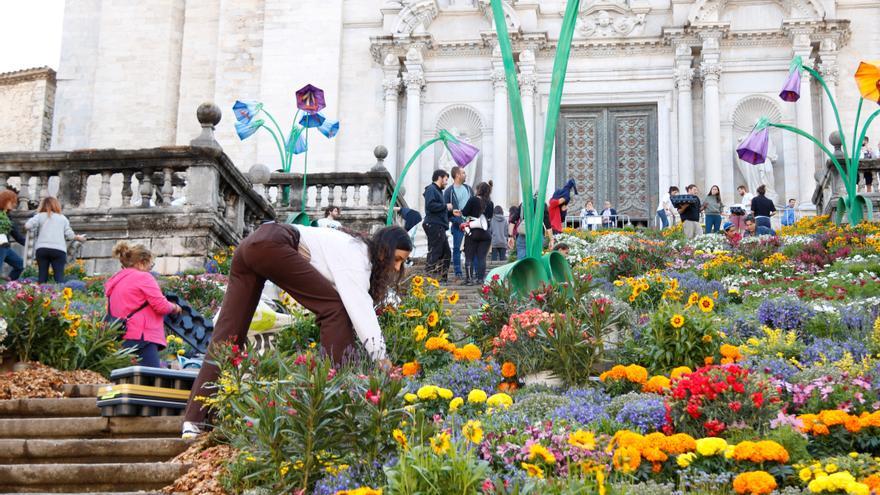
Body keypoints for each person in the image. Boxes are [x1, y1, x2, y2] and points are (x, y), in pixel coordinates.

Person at [182, 223, 413, 439]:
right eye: (398, 259)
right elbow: (360, 309)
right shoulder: (357, 256)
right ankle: (341, 396)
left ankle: (193, 422)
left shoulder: (346, 248)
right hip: (273, 243)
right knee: (335, 310)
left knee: (227, 336)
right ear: (384, 250)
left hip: (252, 246)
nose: (397, 267)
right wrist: (381, 358)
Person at [105, 242, 182, 369]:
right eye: (150, 264)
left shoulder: (115, 281)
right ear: (141, 262)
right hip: (142, 337)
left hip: (121, 336)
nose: (150, 268)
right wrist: (175, 307)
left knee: (126, 379)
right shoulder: (143, 277)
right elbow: (161, 305)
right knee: (149, 382)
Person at [24, 197, 86, 284]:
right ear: (57, 205)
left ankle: (40, 294)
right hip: (58, 250)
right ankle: (60, 295)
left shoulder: (39, 216)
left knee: (42, 277)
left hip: (42, 249)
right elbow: (70, 235)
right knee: (59, 278)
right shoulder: (63, 218)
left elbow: (28, 226)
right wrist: (78, 237)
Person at [442, 166, 472, 282]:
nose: (465, 175)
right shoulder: (449, 191)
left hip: (470, 224)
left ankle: (471, 273)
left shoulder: (469, 189)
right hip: (457, 225)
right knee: (457, 249)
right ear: (458, 175)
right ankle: (458, 272)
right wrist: (454, 219)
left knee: (471, 249)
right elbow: (445, 209)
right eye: (463, 173)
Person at [460, 182, 493, 284]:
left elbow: (465, 212)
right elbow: (489, 217)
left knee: (469, 256)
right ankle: (480, 279)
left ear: (478, 189)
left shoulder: (473, 200)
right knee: (482, 257)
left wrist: (460, 212)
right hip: (485, 233)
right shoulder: (490, 203)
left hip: (473, 232)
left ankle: (469, 279)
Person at [423, 169, 452, 282]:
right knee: (435, 252)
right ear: (439, 177)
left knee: (446, 253)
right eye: (445, 179)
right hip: (434, 225)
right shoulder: (431, 189)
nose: (446, 182)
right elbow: (430, 205)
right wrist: (445, 206)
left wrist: (450, 212)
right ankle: (429, 278)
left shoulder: (438, 191)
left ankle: (441, 278)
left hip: (438, 225)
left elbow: (438, 208)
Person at [0, 190, 24, 281]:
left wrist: (33, 245)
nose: (14, 204)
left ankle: (7, 286)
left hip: (5, 247)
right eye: (11, 201)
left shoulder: (8, 217)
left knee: (20, 265)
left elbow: (17, 236)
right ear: (4, 200)